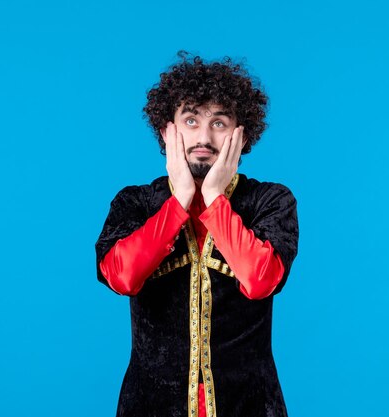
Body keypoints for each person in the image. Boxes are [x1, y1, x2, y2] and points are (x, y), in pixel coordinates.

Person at [95, 52, 299, 417]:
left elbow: (260, 279)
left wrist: (215, 199)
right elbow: (122, 276)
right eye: (191, 120)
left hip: (249, 407)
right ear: (167, 130)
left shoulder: (270, 200)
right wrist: (181, 201)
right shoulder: (136, 202)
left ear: (242, 133)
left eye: (219, 123)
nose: (204, 137)